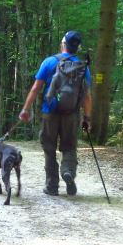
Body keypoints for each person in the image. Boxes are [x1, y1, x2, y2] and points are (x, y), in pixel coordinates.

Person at [18, 30, 92, 196]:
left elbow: (36, 88)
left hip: (49, 112)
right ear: (77, 47)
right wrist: (87, 118)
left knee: (49, 148)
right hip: (72, 114)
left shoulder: (50, 62)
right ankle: (68, 172)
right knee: (69, 147)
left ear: (63, 43)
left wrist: (26, 109)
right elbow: (87, 96)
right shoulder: (82, 67)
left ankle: (52, 186)